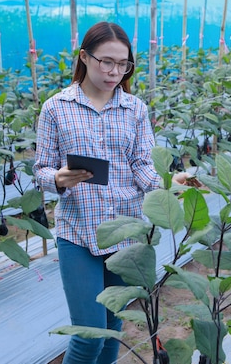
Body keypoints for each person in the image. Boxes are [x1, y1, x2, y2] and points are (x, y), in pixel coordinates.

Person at [33, 21, 187, 364]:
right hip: (78, 234)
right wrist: (58, 178)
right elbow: (40, 169)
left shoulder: (135, 109)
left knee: (113, 329)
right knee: (89, 335)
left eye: (123, 64)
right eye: (107, 62)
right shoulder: (56, 108)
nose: (115, 71)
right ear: (85, 57)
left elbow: (141, 164)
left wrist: (168, 185)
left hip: (125, 231)